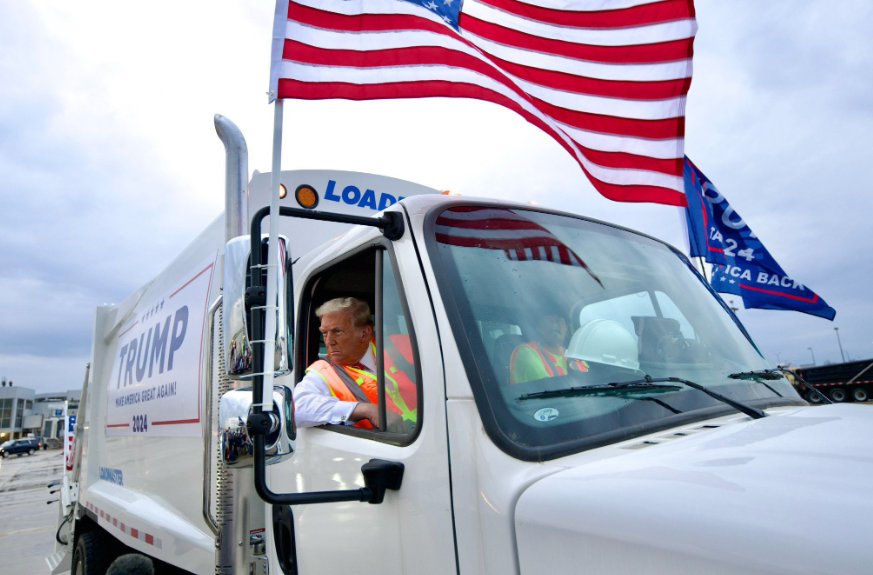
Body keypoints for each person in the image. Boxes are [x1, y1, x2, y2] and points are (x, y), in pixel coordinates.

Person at [294, 297, 416, 432]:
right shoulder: (323, 371)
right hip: (382, 449)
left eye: (337, 331)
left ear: (364, 333)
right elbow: (296, 409)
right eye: (324, 333)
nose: (328, 341)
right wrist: (366, 409)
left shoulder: (402, 345)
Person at [509, 313, 588, 384]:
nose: (554, 325)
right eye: (547, 322)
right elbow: (547, 388)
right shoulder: (526, 352)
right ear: (538, 328)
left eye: (558, 321)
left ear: (566, 327)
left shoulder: (574, 357)